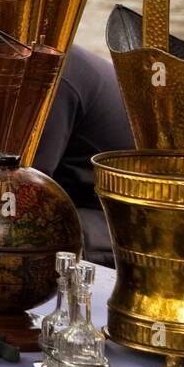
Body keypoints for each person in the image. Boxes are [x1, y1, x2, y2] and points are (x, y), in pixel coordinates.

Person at [35, 47, 135, 267]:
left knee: (23, 240)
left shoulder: (51, 73)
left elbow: (24, 186)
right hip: (78, 202)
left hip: (119, 221)